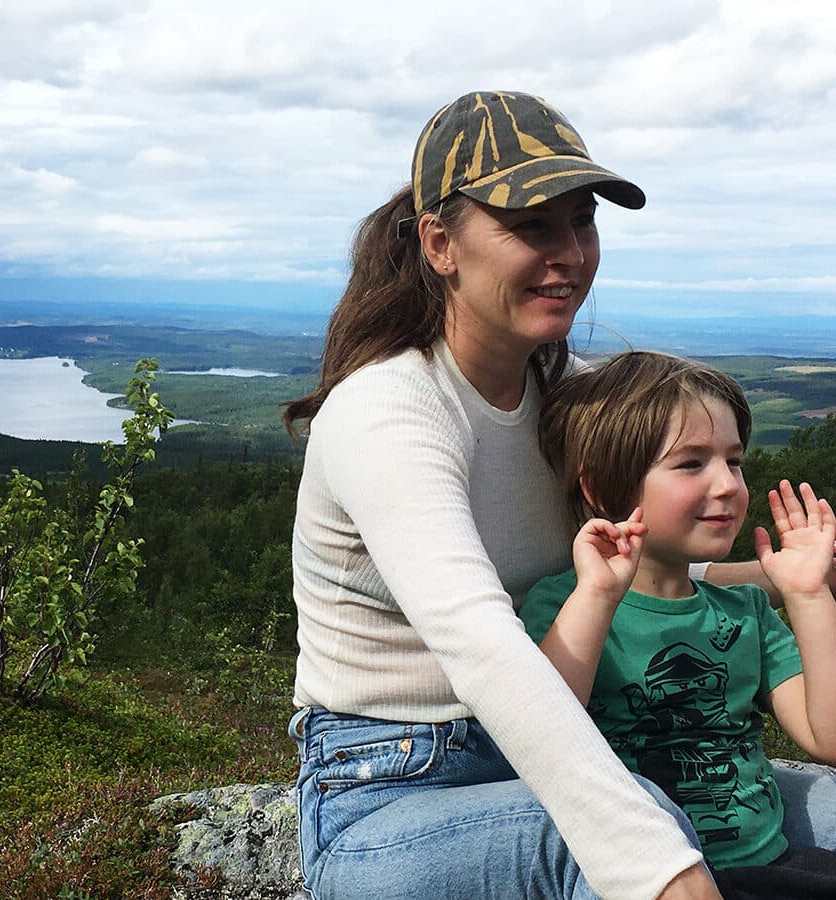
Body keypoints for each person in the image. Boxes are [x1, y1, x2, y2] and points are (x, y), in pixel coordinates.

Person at [283, 91, 723, 899]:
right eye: (533, 227)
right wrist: (659, 866)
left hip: (550, 745)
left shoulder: (566, 396)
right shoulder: (389, 410)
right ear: (440, 244)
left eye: (582, 222)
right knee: (630, 840)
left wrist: (793, 579)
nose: (571, 254)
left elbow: (654, 562)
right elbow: (480, 643)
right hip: (384, 798)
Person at [520, 352, 836, 882]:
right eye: (691, 463)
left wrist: (809, 595)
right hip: (643, 878)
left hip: (768, 867)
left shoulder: (746, 613)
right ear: (602, 488)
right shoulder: (565, 604)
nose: (728, 484)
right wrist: (597, 594)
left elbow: (826, 737)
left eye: (733, 461)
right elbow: (544, 734)